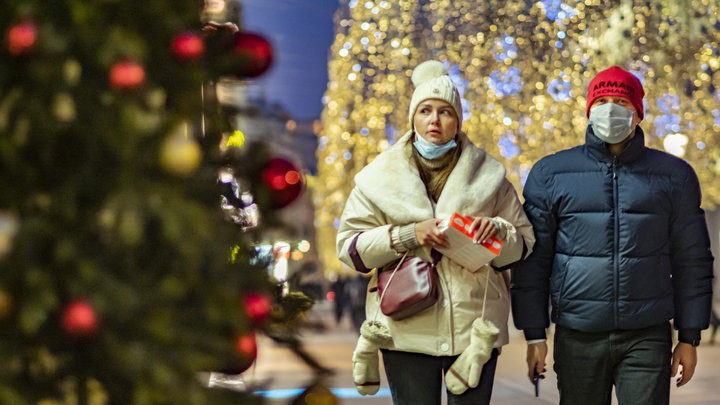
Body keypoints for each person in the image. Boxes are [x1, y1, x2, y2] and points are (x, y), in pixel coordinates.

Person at [511, 66, 715, 405]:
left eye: (620, 100)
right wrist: (535, 333)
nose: (610, 108)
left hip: (647, 333)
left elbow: (691, 258)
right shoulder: (551, 174)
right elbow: (535, 260)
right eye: (602, 100)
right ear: (589, 110)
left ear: (637, 113)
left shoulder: (674, 176)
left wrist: (689, 336)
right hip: (578, 333)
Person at [336, 60, 534, 405]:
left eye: (445, 112)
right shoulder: (377, 179)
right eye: (425, 110)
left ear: (457, 121)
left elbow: (523, 243)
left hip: (475, 330)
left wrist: (497, 232)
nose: (434, 120)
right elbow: (351, 248)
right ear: (413, 118)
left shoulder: (491, 178)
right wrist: (407, 235)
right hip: (405, 327)